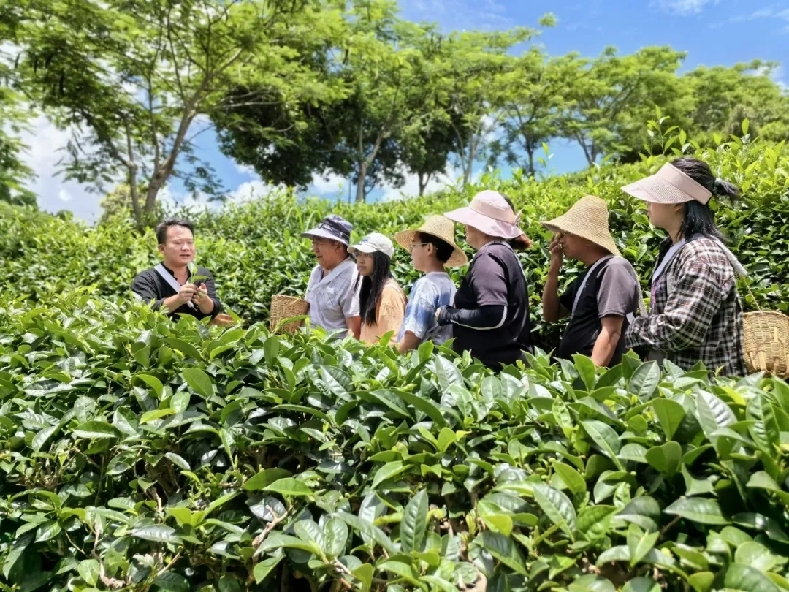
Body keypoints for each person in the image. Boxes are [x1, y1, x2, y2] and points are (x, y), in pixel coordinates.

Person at [622, 157, 747, 376]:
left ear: (678, 202)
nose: (646, 203)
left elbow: (681, 330)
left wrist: (629, 330)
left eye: (654, 195)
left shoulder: (701, 255)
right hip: (684, 389)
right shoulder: (675, 248)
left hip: (707, 393)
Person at [541, 195, 644, 367]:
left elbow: (612, 331)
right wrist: (554, 270)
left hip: (599, 378)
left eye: (567, 234)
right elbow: (551, 315)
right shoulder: (589, 274)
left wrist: (591, 379)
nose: (561, 240)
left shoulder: (613, 269)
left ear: (588, 239)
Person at [436, 190, 533, 371]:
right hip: (509, 365)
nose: (465, 225)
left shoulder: (489, 256)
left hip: (495, 369)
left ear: (482, 225)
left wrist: (448, 314)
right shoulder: (504, 253)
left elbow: (493, 314)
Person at [394, 215, 468, 353]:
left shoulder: (426, 285)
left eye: (413, 245)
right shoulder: (450, 284)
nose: (411, 252)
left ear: (428, 248)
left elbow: (412, 336)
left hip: (424, 363)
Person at [131, 219, 228, 323]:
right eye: (177, 243)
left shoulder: (202, 274)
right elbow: (145, 312)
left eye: (190, 242)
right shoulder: (145, 279)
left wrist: (204, 301)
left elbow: (213, 310)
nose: (186, 248)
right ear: (162, 249)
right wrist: (178, 299)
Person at [302, 214, 361, 339]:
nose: (315, 249)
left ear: (338, 246)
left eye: (320, 243)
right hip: (309, 348)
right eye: (314, 243)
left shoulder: (353, 277)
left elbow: (354, 330)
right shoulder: (316, 272)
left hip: (332, 353)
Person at [349, 232, 407, 345]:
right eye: (359, 254)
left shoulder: (389, 292)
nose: (360, 260)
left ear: (381, 260)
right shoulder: (371, 289)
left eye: (367, 255)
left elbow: (392, 340)